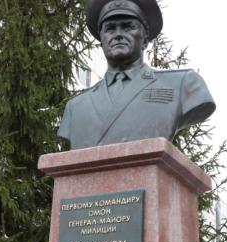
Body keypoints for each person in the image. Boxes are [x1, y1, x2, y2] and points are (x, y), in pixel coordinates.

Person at [58, 0, 216, 150]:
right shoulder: (75, 107)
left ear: (145, 38)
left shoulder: (182, 84)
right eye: (110, 29)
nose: (118, 35)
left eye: (128, 27)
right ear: (101, 40)